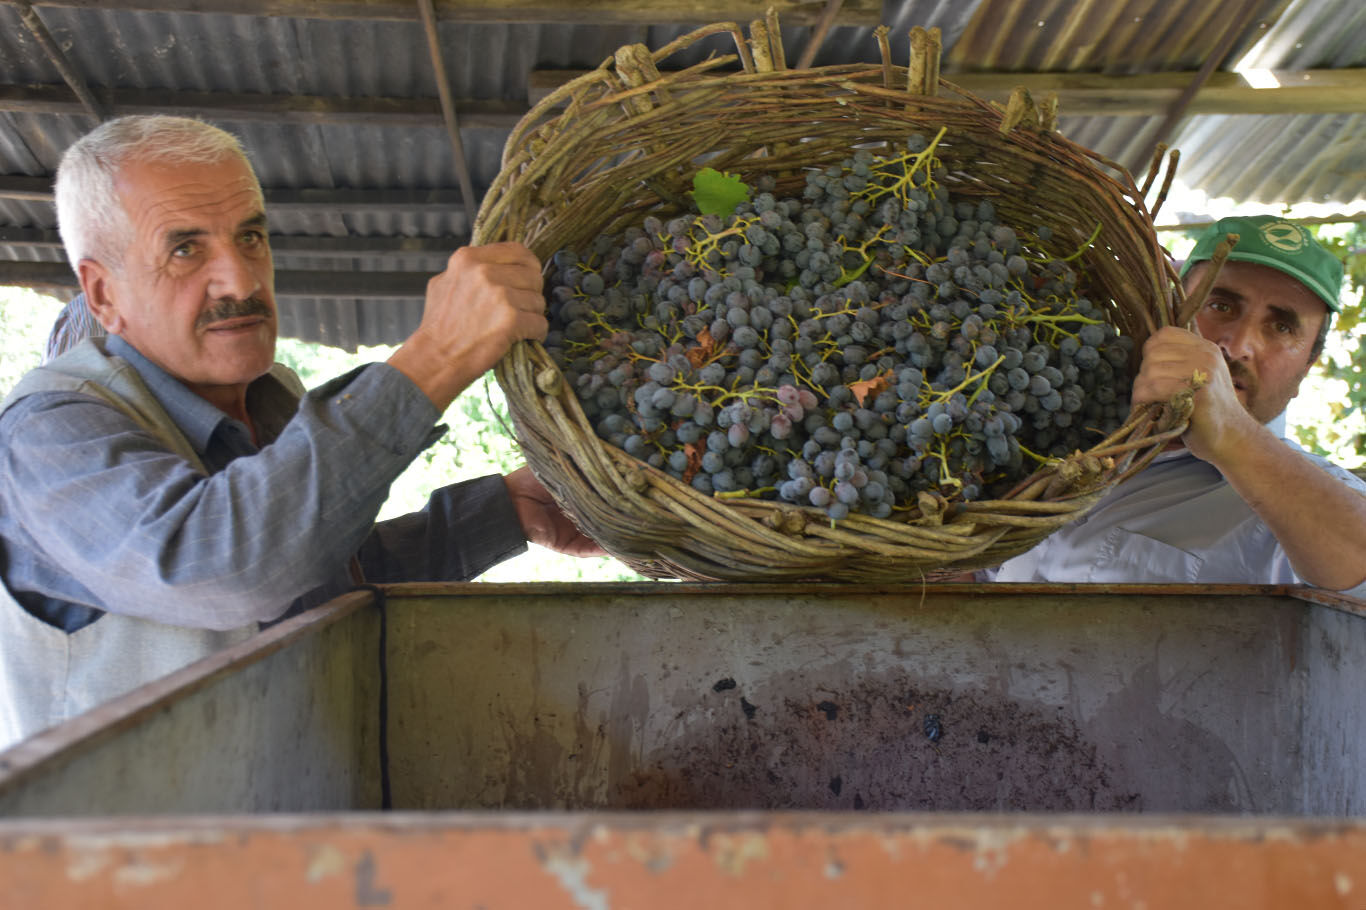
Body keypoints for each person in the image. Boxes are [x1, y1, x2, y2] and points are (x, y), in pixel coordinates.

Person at [0, 115, 600, 749]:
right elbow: (231, 569)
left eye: (251, 236)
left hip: (296, 830)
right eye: (185, 248)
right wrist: (437, 356)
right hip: (133, 849)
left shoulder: (271, 401)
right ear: (102, 293)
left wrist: (513, 510)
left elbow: (311, 587)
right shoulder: (50, 434)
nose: (240, 279)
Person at [982, 215, 1366, 593]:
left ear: (1306, 368)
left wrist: (1230, 432)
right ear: (1166, 307)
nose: (1237, 345)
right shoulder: (1054, 434)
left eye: (1281, 327)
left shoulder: (1319, 503)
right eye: (1221, 306)